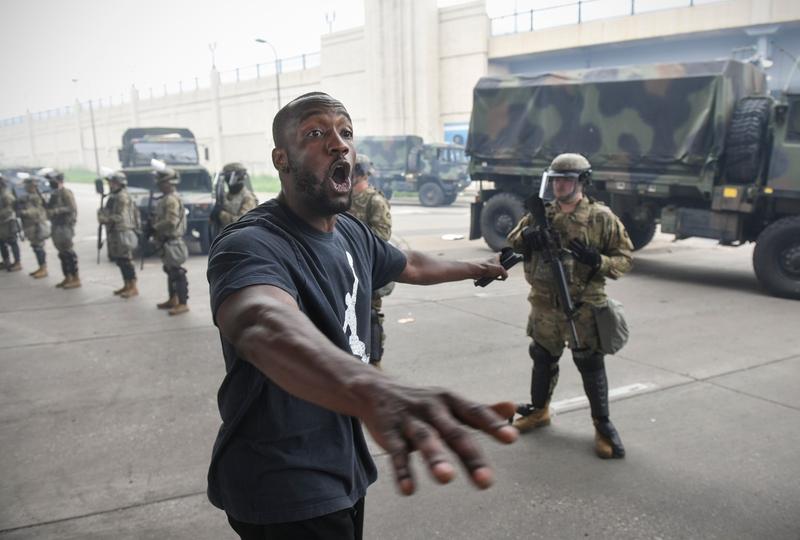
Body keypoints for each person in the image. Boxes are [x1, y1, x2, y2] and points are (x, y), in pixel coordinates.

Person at [206, 92, 517, 540]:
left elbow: (410, 264)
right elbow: (260, 320)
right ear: (282, 158)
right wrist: (370, 384)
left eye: (346, 133)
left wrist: (476, 268)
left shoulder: (350, 231)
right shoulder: (251, 243)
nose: (339, 144)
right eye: (316, 133)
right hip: (283, 481)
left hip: (342, 463)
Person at [507, 153, 633, 459]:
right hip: (545, 306)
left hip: (584, 307)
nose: (560, 185)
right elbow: (512, 243)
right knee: (542, 356)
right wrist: (528, 236)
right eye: (556, 179)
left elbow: (625, 259)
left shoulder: (600, 218)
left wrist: (597, 260)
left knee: (589, 363)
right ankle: (539, 411)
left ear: (582, 183)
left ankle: (602, 425)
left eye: (567, 180)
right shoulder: (543, 214)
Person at [348, 154, 393, 369]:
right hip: (346, 272)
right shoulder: (344, 199)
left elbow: (381, 238)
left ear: (360, 173)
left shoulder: (374, 201)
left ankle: (375, 365)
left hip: (368, 273)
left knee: (371, 320)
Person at [149, 165, 189, 315]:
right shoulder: (166, 199)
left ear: (169, 183)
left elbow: (171, 221)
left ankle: (183, 302)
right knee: (170, 270)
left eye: (162, 182)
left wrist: (155, 227)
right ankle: (173, 299)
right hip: (166, 240)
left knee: (177, 272)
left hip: (172, 240)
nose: (159, 185)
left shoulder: (171, 199)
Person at [97, 171, 140, 298]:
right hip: (116, 231)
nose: (110, 185)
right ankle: (127, 284)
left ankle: (133, 286)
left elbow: (120, 216)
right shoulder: (114, 196)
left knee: (126, 260)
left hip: (123, 231)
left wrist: (105, 218)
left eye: (112, 182)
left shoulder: (122, 197)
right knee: (120, 260)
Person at [42, 168, 80, 289]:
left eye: (52, 180)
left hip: (65, 226)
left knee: (68, 253)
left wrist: (56, 211)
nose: (50, 183)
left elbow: (71, 208)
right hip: (57, 226)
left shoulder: (65, 193)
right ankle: (67, 276)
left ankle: (75, 278)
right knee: (62, 254)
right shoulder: (54, 194)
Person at [18, 176, 50, 279]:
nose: (25, 187)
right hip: (30, 225)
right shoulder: (29, 196)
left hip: (36, 226)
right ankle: (41, 267)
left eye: (26, 185)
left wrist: (24, 212)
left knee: (38, 247)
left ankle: (43, 268)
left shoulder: (35, 197)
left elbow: (37, 211)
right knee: (36, 247)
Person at [211, 162, 259, 228]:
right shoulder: (225, 196)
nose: (226, 180)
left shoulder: (248, 197)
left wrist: (220, 214)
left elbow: (242, 222)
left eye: (227, 177)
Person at [0, 173, 22, 272]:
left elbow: (10, 209)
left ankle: (17, 262)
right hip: (2, 223)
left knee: (12, 242)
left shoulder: (6, 195)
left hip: (8, 223)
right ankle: (6, 261)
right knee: (1, 243)